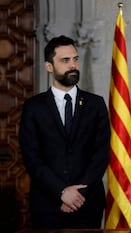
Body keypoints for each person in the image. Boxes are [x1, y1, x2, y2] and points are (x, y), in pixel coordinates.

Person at [19, 35, 110, 229]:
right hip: (48, 205)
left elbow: (101, 154)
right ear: (49, 66)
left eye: (75, 59)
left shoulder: (96, 104)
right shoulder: (33, 107)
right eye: (65, 60)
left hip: (87, 204)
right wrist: (62, 191)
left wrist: (77, 195)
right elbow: (31, 157)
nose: (73, 65)